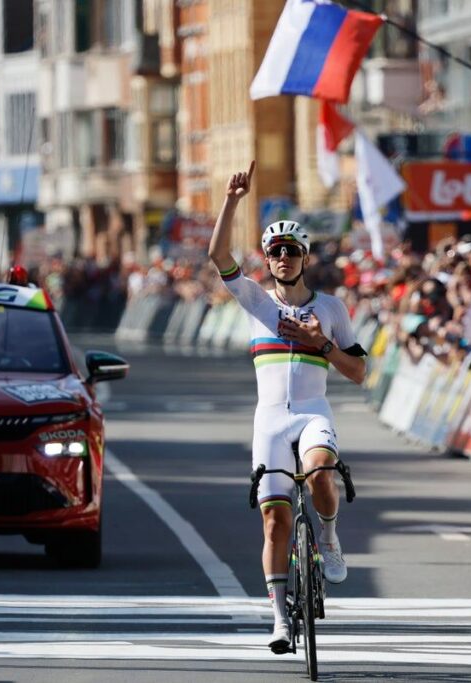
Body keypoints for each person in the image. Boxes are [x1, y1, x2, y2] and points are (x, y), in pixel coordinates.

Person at [208, 161, 366, 654]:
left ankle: (330, 535)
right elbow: (218, 255)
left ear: (304, 257)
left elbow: (359, 373)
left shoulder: (332, 308)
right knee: (274, 520)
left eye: (290, 251)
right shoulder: (257, 302)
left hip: (314, 411)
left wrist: (323, 346)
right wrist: (233, 199)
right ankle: (279, 618)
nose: (281, 257)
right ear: (267, 258)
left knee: (321, 475)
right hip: (270, 421)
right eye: (274, 250)